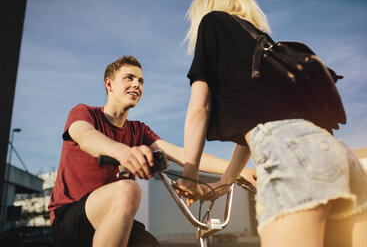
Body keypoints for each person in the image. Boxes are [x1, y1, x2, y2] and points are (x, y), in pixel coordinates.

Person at [176, 0, 367, 247]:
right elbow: (259, 123)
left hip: (291, 155)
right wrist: (225, 183)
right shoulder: (262, 42)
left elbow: (199, 109)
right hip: (339, 154)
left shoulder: (212, 22)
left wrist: (189, 177)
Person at [48, 55, 256, 247]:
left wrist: (240, 171)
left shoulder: (138, 130)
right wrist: (123, 152)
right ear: (109, 84)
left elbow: (183, 155)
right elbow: (86, 137)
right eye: (129, 78)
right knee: (128, 189)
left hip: (115, 214)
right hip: (70, 217)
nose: (136, 85)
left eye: (141, 81)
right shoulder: (85, 113)